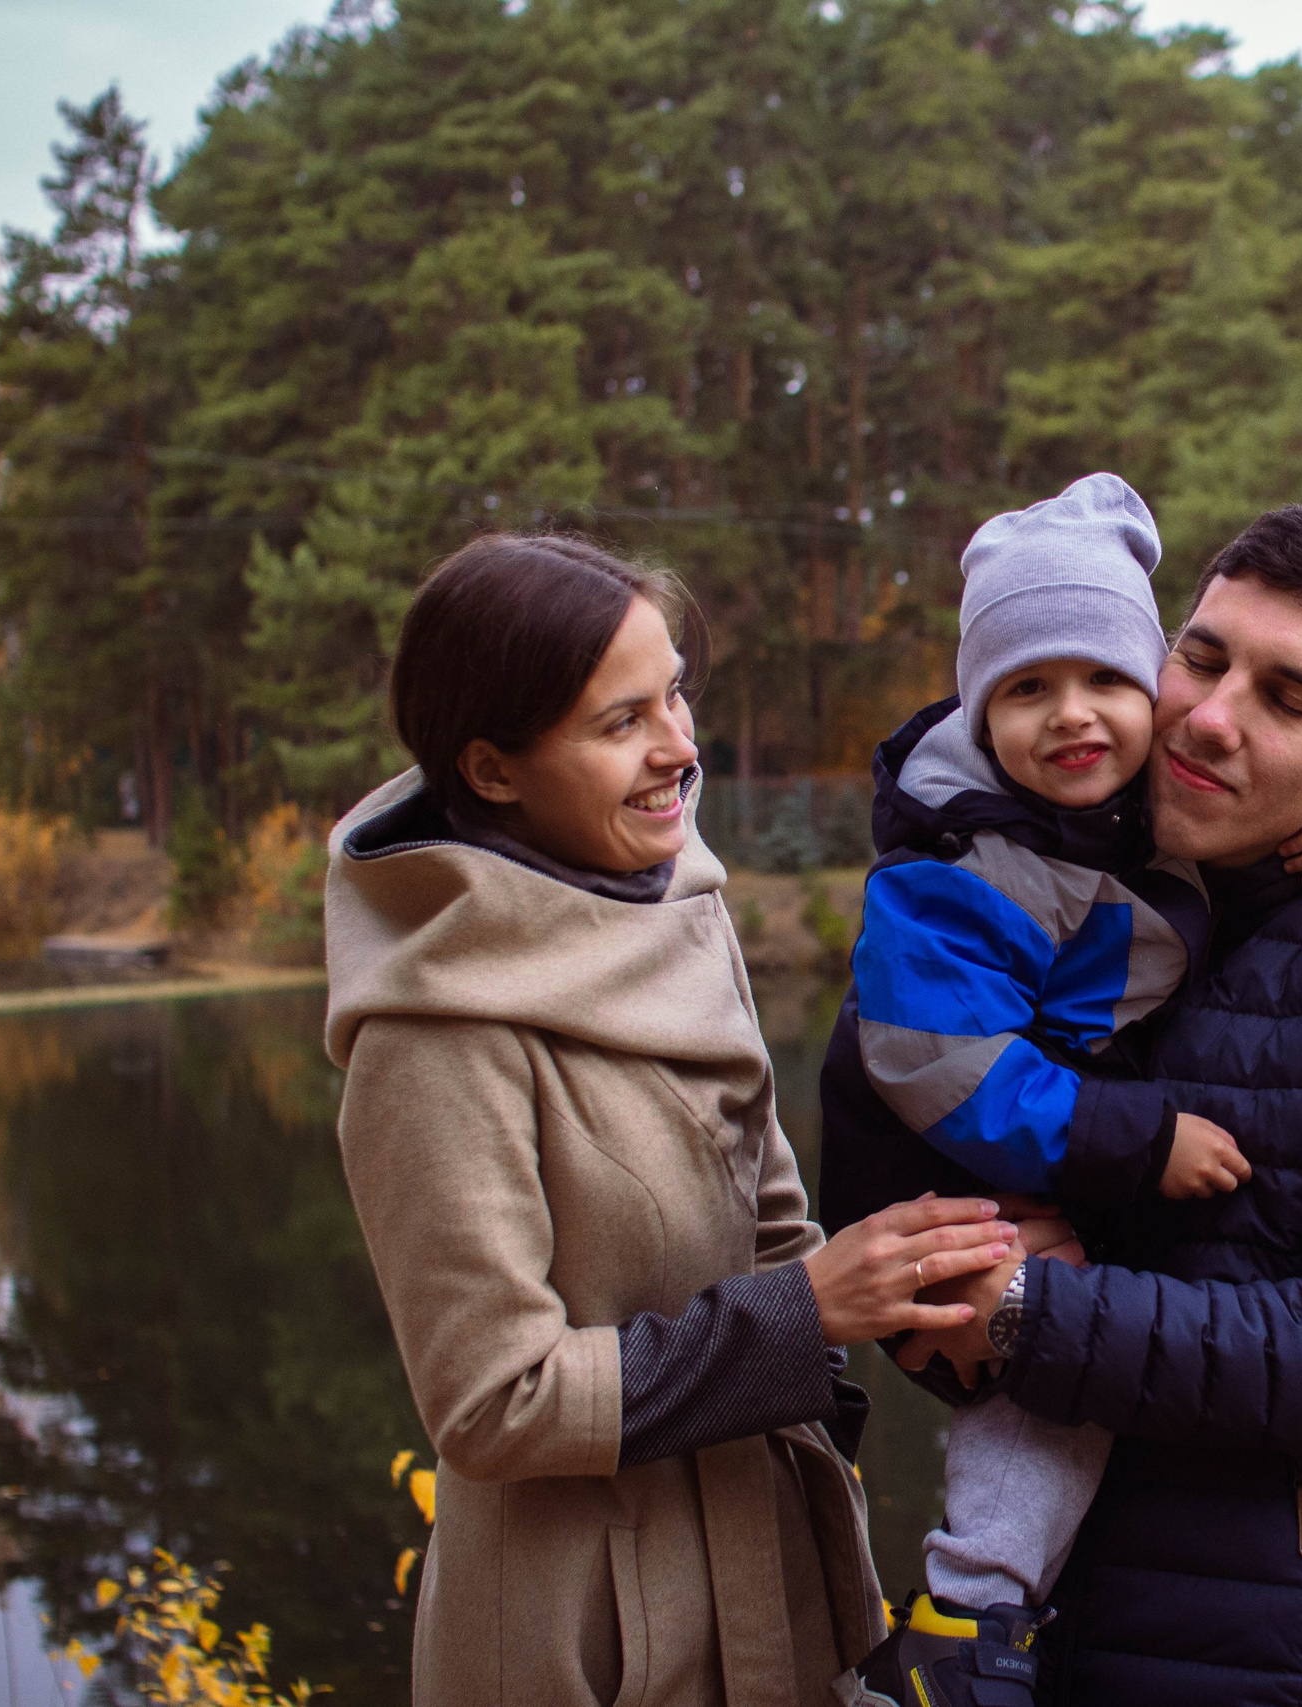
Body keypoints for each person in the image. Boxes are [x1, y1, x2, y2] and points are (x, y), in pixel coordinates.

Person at [324, 533, 1019, 1707]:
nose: (681, 750)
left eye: (676, 693)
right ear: (492, 772)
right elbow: (494, 1405)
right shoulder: (429, 1036)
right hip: (582, 1644)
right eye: (619, 724)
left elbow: (777, 1231)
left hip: (778, 1590)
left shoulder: (677, 902)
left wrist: (946, 1292)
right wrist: (806, 1312)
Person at [893, 506, 1302, 1706]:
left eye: (1288, 699)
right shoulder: (1058, 870)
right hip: (1044, 1641)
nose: (1208, 714)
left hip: (1272, 1665)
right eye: (1200, 657)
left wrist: (1030, 1312)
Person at [814, 474, 1302, 1707]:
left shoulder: (1117, 806)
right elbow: (935, 1064)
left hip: (1034, 1129)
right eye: (1026, 689)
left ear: (1148, 694)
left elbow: (1258, 805)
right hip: (935, 1158)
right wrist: (1135, 1140)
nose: (1070, 717)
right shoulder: (959, 859)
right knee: (1043, 1343)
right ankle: (965, 1619)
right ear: (980, 706)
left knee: (1067, 1352)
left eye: (1105, 682)